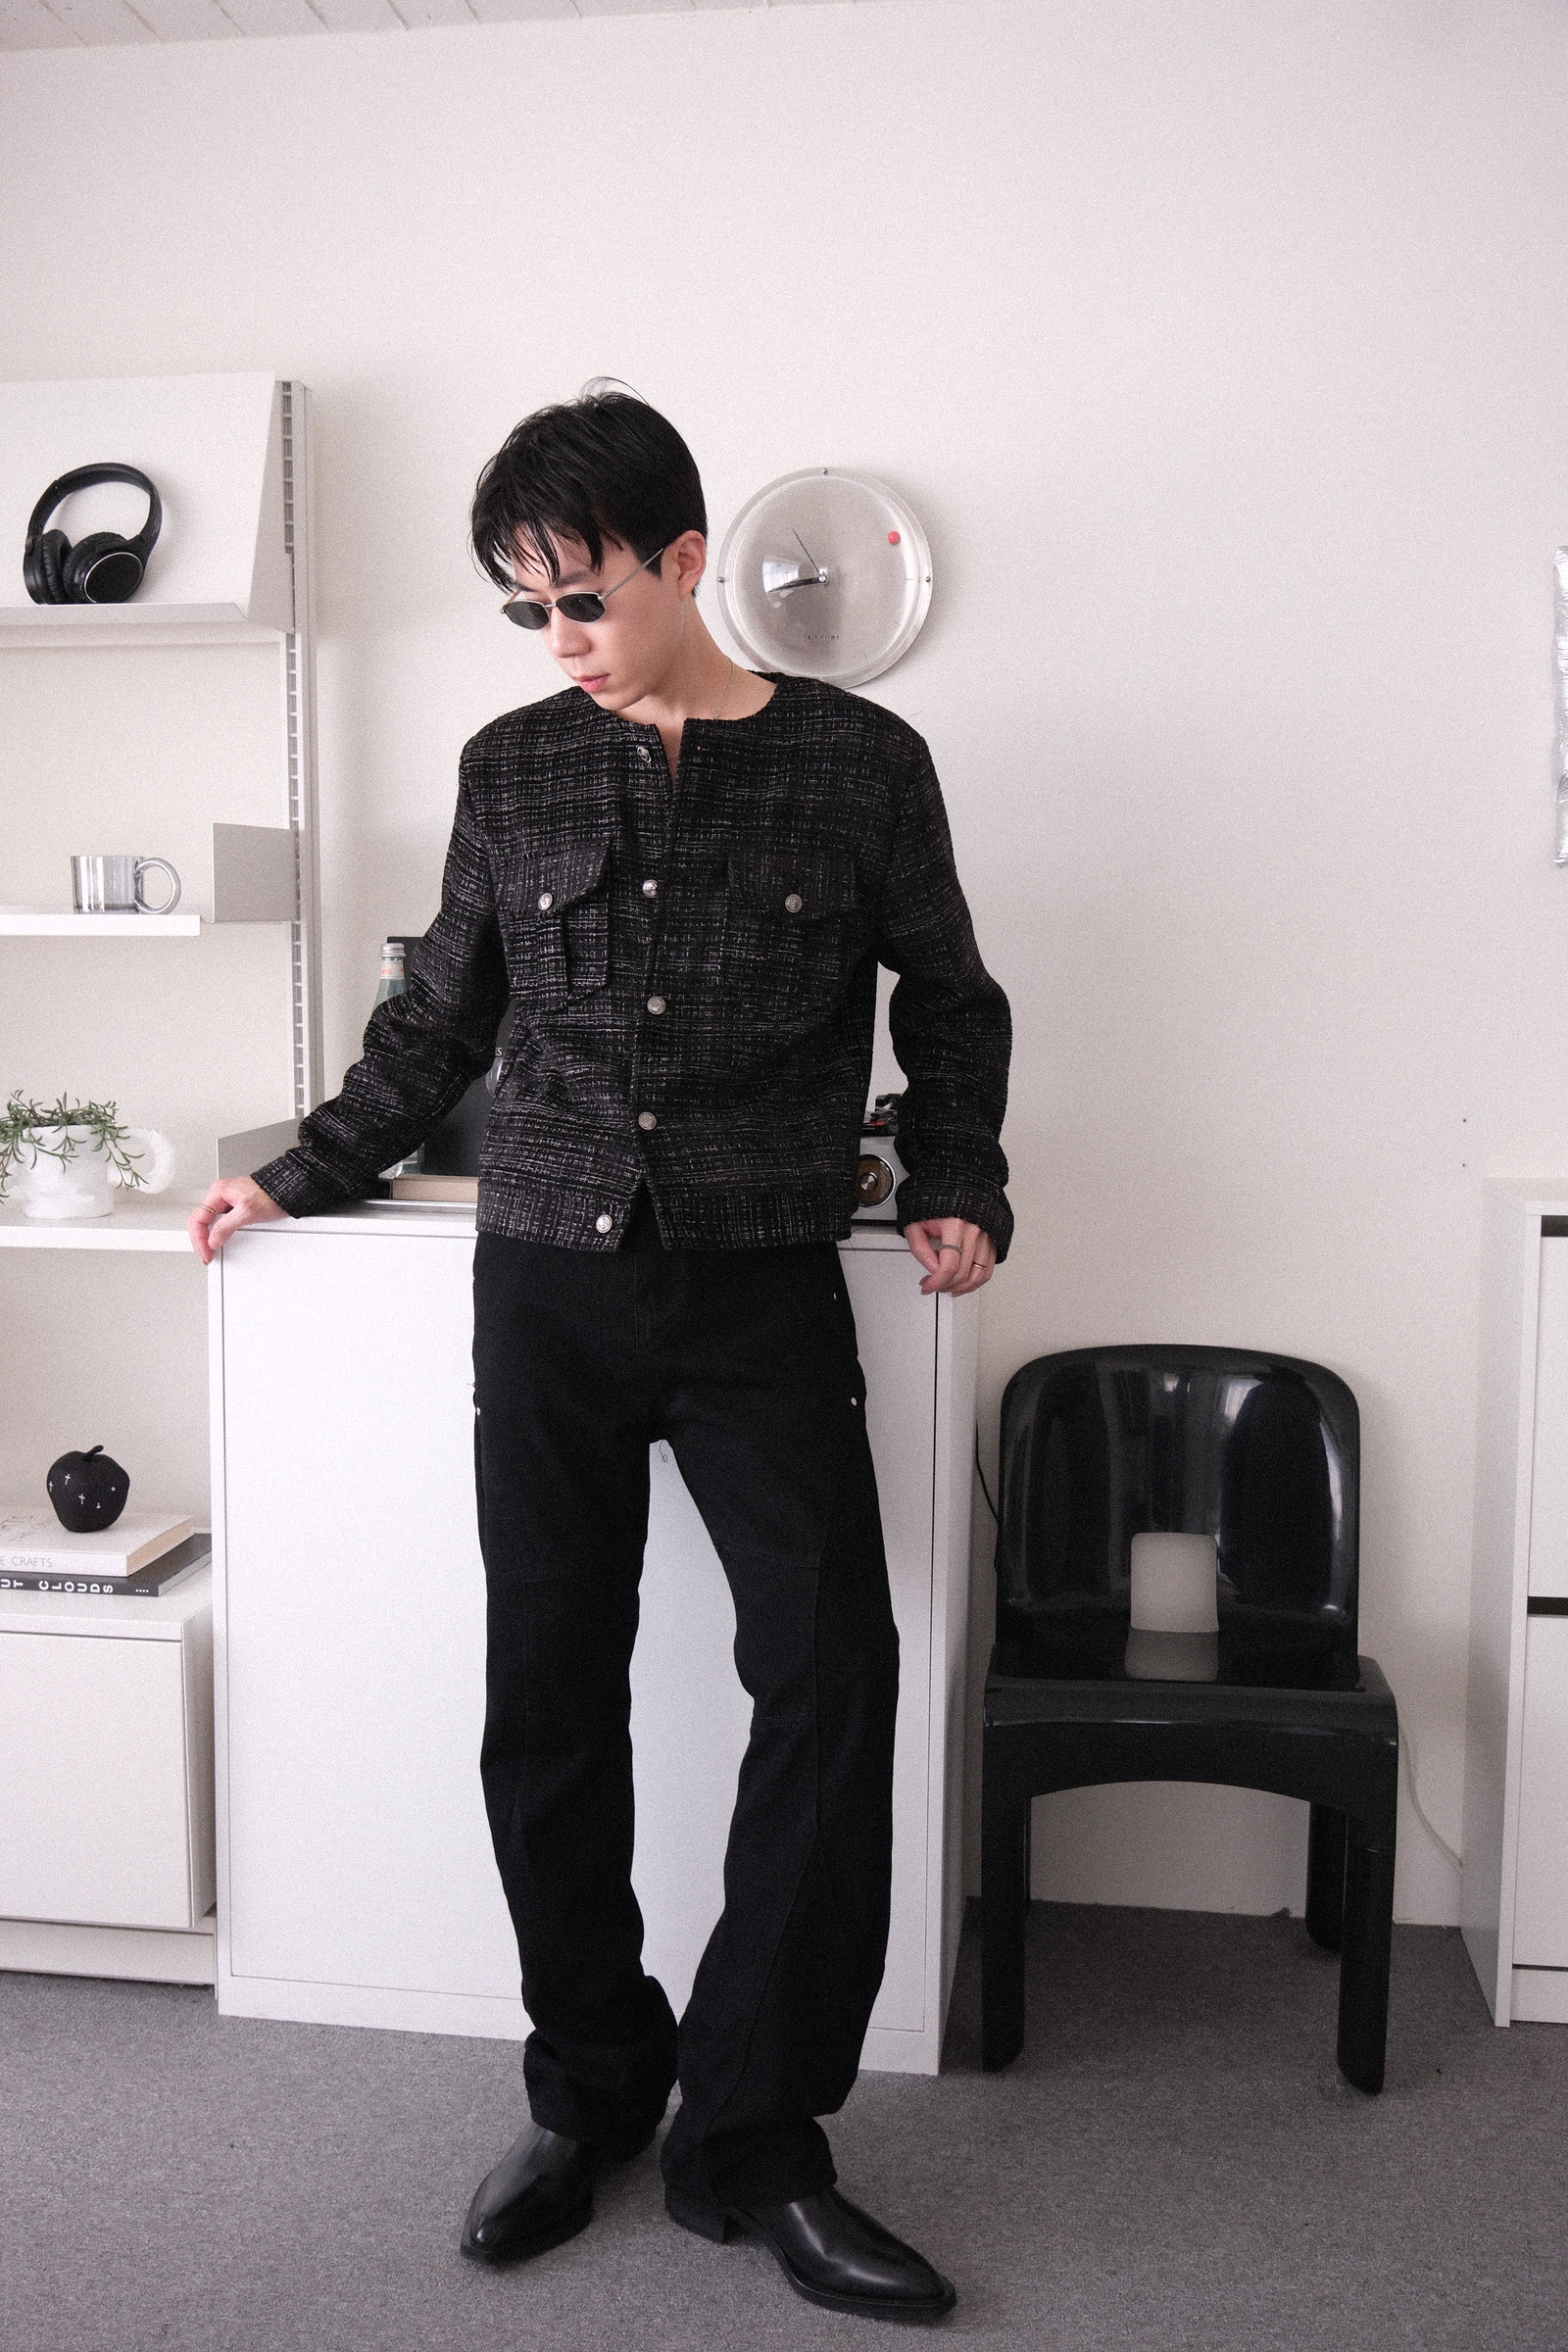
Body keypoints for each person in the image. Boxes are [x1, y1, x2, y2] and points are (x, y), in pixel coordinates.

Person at [189, 388, 1011, 2325]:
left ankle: (758, 2137)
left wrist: (957, 1180)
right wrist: (299, 1172)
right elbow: (438, 1021)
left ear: (682, 558)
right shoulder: (510, 772)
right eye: (523, 608)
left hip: (759, 1285)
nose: (556, 637)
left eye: (581, 596)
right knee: (548, 1697)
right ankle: (589, 2092)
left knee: (833, 1677)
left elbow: (950, 1001)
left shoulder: (861, 764)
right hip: (547, 1283)